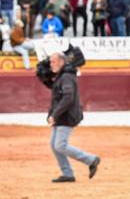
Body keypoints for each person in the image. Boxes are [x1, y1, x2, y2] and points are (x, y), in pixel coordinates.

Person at [45, 52, 100, 183]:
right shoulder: (62, 76)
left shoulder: (66, 77)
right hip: (61, 116)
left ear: (62, 62)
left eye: (54, 62)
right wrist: (51, 114)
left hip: (67, 116)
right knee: (54, 145)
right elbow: (57, 98)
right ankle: (67, 173)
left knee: (60, 145)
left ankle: (91, 159)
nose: (51, 64)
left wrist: (55, 114)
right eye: (50, 62)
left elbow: (68, 98)